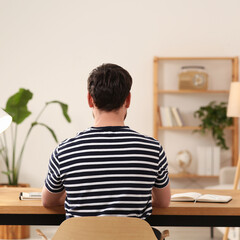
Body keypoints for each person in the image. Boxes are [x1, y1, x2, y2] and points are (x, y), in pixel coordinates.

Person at [42, 63, 171, 239]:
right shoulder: (152, 149)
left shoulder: (65, 150)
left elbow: (48, 201)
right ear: (128, 100)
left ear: (90, 99)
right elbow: (163, 202)